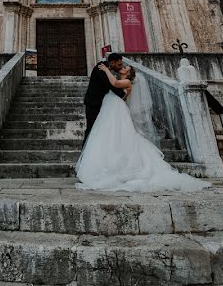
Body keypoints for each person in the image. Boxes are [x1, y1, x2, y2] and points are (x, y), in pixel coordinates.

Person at [76, 63, 211, 193]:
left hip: (117, 111)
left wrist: (106, 70)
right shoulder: (121, 81)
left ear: (129, 73)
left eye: (125, 67)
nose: (122, 67)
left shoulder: (126, 82)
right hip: (112, 111)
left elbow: (115, 84)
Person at [82, 52, 126, 143]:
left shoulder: (107, 69)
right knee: (91, 128)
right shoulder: (101, 68)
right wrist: (124, 94)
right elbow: (111, 85)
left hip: (101, 104)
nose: (121, 67)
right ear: (112, 63)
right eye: (119, 64)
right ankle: (85, 153)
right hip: (93, 103)